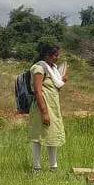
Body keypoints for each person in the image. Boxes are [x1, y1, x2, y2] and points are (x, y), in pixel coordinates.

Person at [28, 43, 68, 173]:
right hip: (42, 107)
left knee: (52, 135)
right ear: (47, 55)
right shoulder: (39, 68)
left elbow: (54, 87)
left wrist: (62, 81)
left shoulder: (53, 69)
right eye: (55, 55)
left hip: (53, 106)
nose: (57, 57)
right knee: (38, 136)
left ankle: (53, 166)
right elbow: (38, 91)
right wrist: (44, 112)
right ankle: (37, 167)